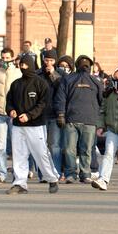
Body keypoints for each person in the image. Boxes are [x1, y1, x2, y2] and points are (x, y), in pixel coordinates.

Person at [5, 55, 60, 194]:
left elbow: (43, 104)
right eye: (21, 65)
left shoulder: (41, 83)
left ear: (30, 65)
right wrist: (11, 110)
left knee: (41, 153)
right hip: (18, 126)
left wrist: (29, 115)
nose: (22, 67)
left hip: (36, 125)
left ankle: (52, 179)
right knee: (19, 154)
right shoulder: (16, 84)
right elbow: (9, 101)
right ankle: (20, 183)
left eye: (25, 65)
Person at [54, 55, 103, 184]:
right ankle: (71, 173)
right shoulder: (68, 80)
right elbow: (61, 98)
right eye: (83, 63)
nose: (85, 65)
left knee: (85, 149)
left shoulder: (95, 81)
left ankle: (85, 173)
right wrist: (60, 114)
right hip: (72, 120)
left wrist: (100, 119)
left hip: (89, 120)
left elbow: (101, 100)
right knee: (71, 149)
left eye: (87, 64)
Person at [36, 49, 65, 182]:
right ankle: (43, 175)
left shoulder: (61, 74)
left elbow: (62, 88)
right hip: (40, 115)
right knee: (41, 146)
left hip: (54, 114)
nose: (48, 63)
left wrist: (53, 74)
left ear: (55, 61)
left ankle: (56, 173)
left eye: (51, 60)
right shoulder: (38, 74)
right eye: (46, 60)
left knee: (54, 146)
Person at [0, 48, 22, 184]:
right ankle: (1, 173)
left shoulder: (18, 73)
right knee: (0, 146)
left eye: (7, 58)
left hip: (13, 114)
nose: (5, 60)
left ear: (12, 58)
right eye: (3, 58)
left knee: (16, 146)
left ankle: (18, 174)